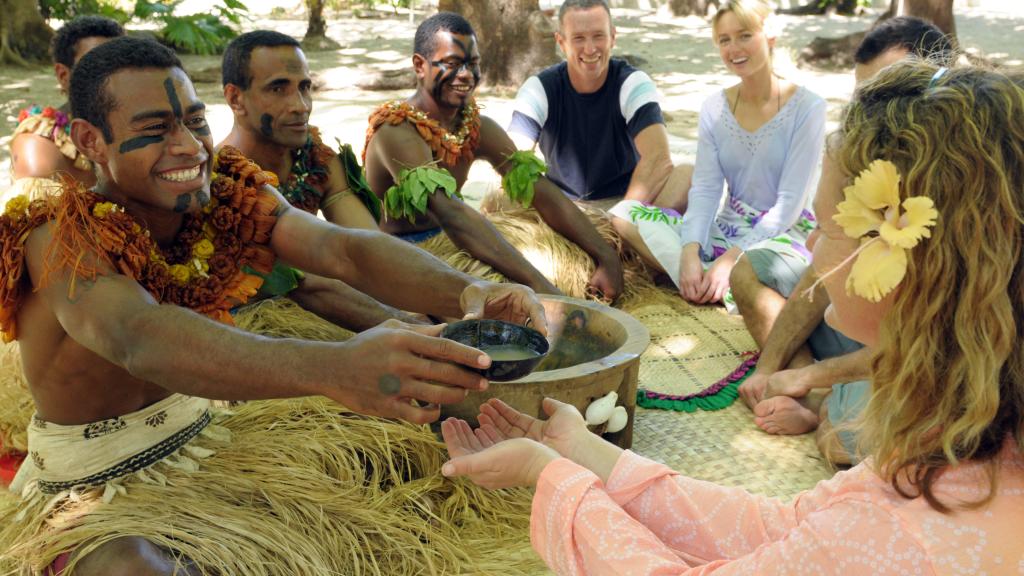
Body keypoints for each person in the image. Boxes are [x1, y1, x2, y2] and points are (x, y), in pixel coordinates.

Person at [440, 60, 1024, 574]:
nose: (811, 244)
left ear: (902, 255)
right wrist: (583, 451)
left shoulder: (906, 533)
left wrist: (552, 478)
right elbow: (790, 527)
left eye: (822, 226)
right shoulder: (969, 441)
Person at [0, 37, 548, 575]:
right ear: (90, 140)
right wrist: (335, 367)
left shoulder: (221, 194)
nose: (190, 149)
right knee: (135, 569)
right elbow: (137, 335)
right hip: (95, 480)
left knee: (406, 458)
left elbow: (343, 250)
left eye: (194, 121)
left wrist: (468, 292)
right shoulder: (57, 236)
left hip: (202, 438)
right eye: (154, 130)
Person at [730, 17, 955, 455]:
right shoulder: (865, 154)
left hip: (910, 355)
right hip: (865, 327)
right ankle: (809, 392)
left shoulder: (949, 195)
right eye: (863, 97)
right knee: (752, 268)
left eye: (886, 93)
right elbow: (822, 262)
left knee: (840, 439)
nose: (869, 113)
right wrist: (770, 371)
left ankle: (820, 404)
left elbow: (925, 340)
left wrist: (814, 381)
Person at [363, 12, 625, 301]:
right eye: (451, 64)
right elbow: (450, 213)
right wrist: (546, 292)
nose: (464, 75)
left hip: (449, 242)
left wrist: (606, 256)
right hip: (395, 255)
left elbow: (540, 190)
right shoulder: (396, 131)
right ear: (420, 66)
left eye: (472, 64)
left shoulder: (475, 128)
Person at [609, 0, 826, 310]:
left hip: (780, 235)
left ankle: (721, 280)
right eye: (724, 40)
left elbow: (789, 204)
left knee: (770, 267)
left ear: (769, 35)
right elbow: (707, 189)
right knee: (624, 215)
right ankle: (712, 282)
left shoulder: (808, 108)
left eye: (744, 35)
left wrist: (732, 259)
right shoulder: (715, 107)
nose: (734, 48)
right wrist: (689, 250)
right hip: (726, 228)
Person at [220, 30, 426, 332]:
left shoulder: (315, 160)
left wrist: (444, 304)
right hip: (249, 331)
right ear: (236, 98)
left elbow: (368, 247)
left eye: (305, 87)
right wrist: (416, 327)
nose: (301, 105)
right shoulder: (219, 181)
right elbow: (306, 284)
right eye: (278, 89)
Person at [508, 0, 691, 205]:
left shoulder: (632, 83)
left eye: (598, 36)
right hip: (563, 207)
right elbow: (515, 158)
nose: (590, 49)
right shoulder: (538, 89)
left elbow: (658, 159)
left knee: (686, 176)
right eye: (578, 38)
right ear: (561, 42)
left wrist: (620, 218)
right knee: (496, 201)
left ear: (613, 37)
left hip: (627, 201)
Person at [5, 16, 124, 200]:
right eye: (97, 65)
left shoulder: (141, 125)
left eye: (122, 66)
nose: (113, 77)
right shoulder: (40, 144)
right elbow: (42, 224)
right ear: (63, 75)